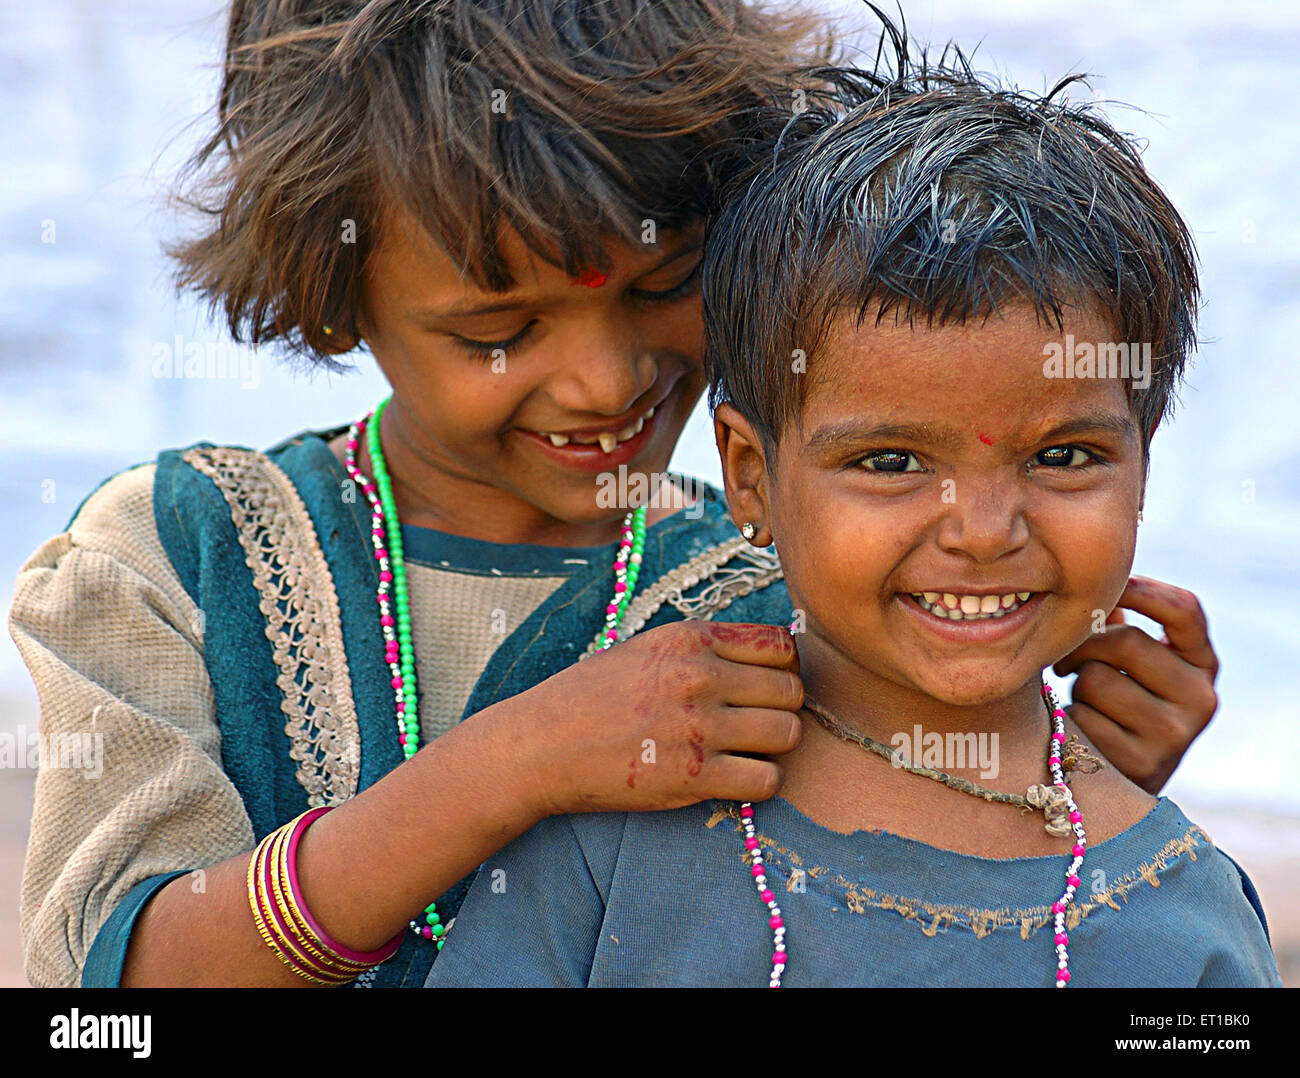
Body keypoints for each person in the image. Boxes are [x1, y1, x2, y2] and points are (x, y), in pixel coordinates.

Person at [12, 2, 1220, 989]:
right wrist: (511, 765)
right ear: (331, 292)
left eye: (664, 284)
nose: (605, 380)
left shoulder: (788, 586)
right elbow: (106, 1006)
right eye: (497, 325)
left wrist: (1064, 778)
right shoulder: (174, 559)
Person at [424, 43, 1279, 988]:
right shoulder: (612, 834)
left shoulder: (1179, 916)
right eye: (890, 462)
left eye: (1064, 457)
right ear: (749, 478)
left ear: (1145, 467)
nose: (984, 530)